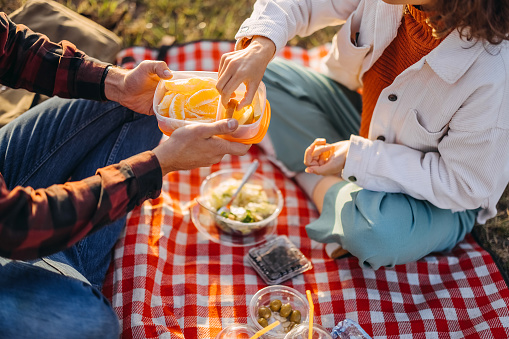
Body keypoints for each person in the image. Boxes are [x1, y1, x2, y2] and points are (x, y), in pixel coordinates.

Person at [0, 12, 250, 338]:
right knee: (93, 325)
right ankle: (60, 268)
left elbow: (13, 49)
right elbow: (16, 224)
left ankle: (58, 262)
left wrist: (117, 83)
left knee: (148, 102)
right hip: (12, 225)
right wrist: (158, 166)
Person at [216, 0, 509, 270]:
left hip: (440, 195)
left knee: (375, 235)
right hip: (361, 119)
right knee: (264, 79)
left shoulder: (495, 69)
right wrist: (260, 45)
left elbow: (464, 185)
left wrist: (356, 159)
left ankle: (321, 184)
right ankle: (345, 200)